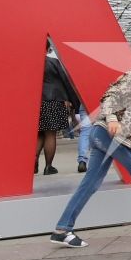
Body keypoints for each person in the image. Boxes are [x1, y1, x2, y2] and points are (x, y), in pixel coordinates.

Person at [50, 41, 131, 247]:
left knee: (91, 183)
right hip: (112, 135)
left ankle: (62, 229)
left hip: (101, 134)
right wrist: (111, 119)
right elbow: (110, 96)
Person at [38, 47, 82, 175]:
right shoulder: (53, 62)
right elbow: (66, 81)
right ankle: (48, 166)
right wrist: (74, 101)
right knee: (50, 134)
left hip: (36, 102)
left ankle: (34, 162)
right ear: (47, 49)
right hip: (54, 100)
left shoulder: (31, 63)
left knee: (39, 134)